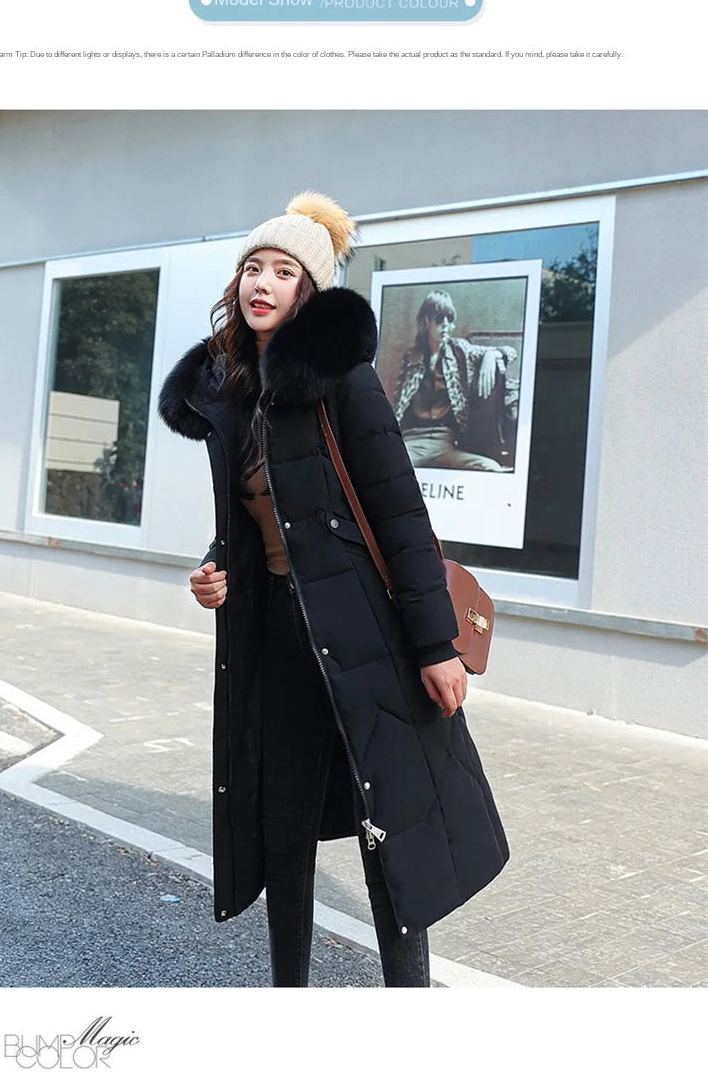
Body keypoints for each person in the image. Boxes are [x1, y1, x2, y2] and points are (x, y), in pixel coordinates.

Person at [158, 192, 509, 987]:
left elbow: (400, 514)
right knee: (282, 826)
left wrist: (436, 644)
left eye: (283, 271)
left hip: (366, 636)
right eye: (253, 267)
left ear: (308, 290)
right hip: (278, 638)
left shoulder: (343, 381)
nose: (262, 283)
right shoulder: (232, 390)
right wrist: (216, 571)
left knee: (392, 830)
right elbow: (252, 520)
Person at [393, 289, 519, 470]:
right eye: (439, 318)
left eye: (449, 318)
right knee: (388, 469)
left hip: (446, 443)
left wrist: (491, 355)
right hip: (412, 441)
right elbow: (398, 403)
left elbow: (510, 352)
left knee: (491, 468)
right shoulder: (411, 357)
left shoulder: (459, 349)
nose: (445, 324)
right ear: (426, 321)